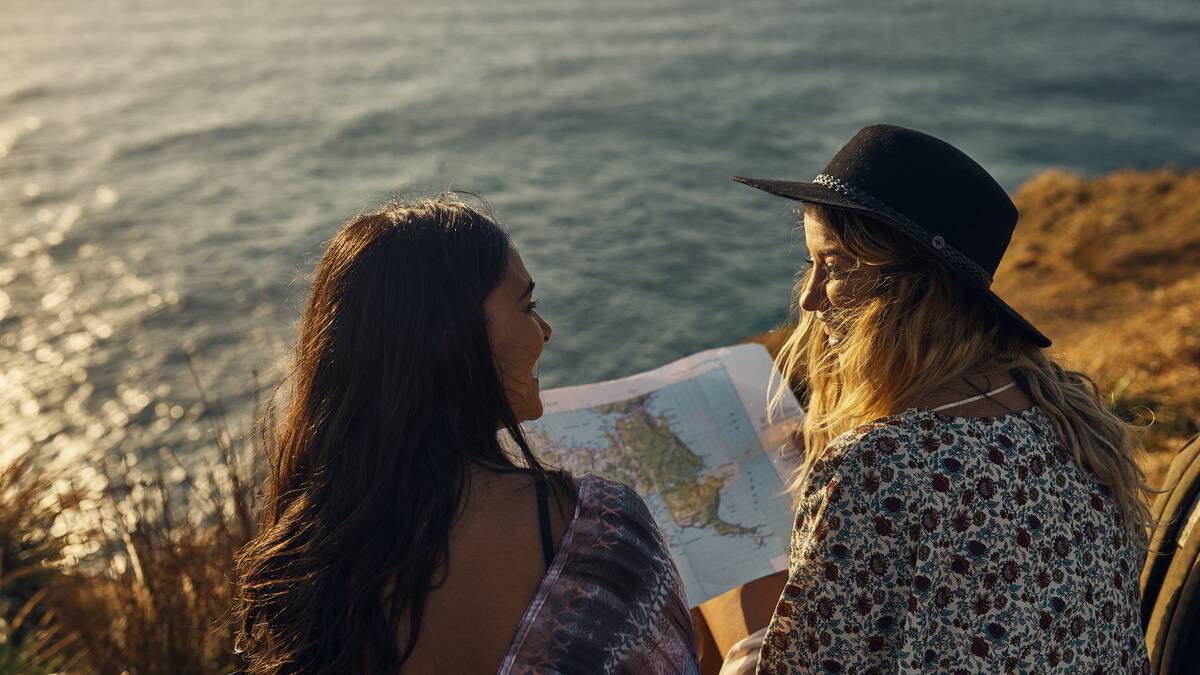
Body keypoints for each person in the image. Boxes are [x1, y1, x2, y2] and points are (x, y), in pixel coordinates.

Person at [729, 125, 1153, 673]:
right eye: (810, 264)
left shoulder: (882, 463)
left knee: (723, 599)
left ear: (915, 291)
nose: (809, 298)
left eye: (833, 266)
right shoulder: (1067, 415)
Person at [232, 194, 699, 674]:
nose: (546, 329)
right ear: (452, 339)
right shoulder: (596, 534)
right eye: (527, 305)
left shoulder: (306, 561)